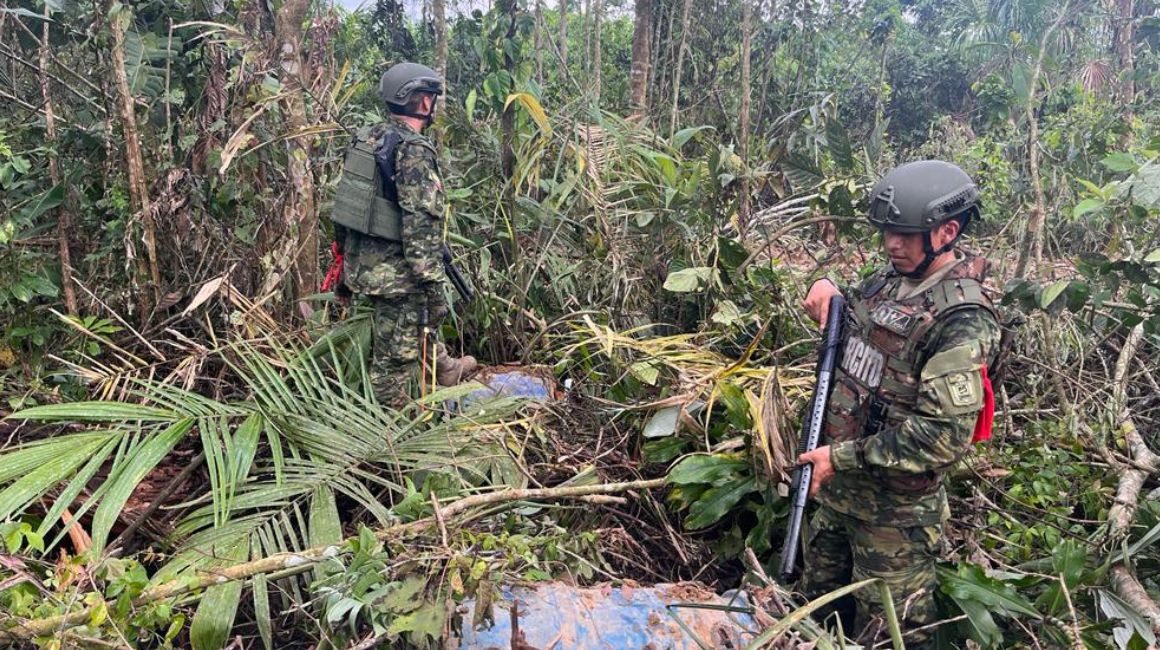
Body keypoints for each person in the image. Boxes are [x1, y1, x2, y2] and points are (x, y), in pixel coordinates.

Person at [795, 160, 1002, 647]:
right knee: (814, 620)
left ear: (947, 231)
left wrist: (840, 457)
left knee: (888, 637)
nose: (892, 243)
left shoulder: (963, 318)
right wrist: (827, 289)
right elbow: (861, 350)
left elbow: (941, 437)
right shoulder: (888, 281)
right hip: (836, 498)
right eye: (889, 231)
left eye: (907, 234)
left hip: (894, 522)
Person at [332, 62, 477, 406]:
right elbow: (421, 223)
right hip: (397, 275)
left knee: (412, 327)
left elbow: (345, 206)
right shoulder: (413, 149)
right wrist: (431, 283)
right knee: (394, 360)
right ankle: (392, 435)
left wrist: (342, 264)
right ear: (423, 103)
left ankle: (443, 368)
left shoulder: (367, 137)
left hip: (362, 265)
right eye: (431, 98)